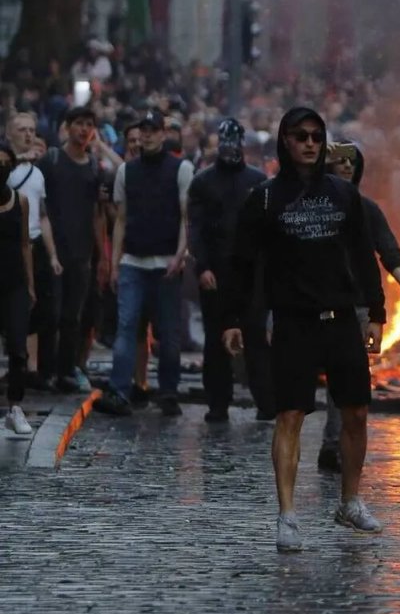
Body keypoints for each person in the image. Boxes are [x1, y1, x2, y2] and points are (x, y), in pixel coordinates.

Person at [224, 107, 386, 552]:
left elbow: (364, 254)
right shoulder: (264, 198)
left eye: (317, 136)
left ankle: (349, 501)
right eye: (301, 136)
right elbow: (240, 263)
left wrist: (376, 313)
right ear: (285, 141)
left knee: (356, 412)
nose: (310, 143)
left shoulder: (344, 194)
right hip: (294, 322)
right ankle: (288, 515)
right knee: (291, 416)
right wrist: (233, 319)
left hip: (341, 318)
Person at [317, 141, 400, 472]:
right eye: (341, 161)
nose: (347, 166)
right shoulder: (312, 207)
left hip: (358, 306)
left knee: (348, 380)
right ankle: (325, 444)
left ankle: (337, 446)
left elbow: (389, 250)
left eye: (353, 162)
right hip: (316, 304)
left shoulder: (366, 209)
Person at [93, 110, 192, 417]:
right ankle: (120, 390)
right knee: (126, 328)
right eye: (143, 130)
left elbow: (186, 217)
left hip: (165, 261)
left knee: (168, 332)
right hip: (133, 261)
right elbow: (121, 220)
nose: (147, 135)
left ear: (163, 133)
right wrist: (115, 261)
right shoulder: (127, 171)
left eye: (152, 130)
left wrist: (181, 253)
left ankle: (168, 392)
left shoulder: (181, 168)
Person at [186, 118, 273, 423]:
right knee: (215, 340)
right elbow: (196, 229)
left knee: (256, 339)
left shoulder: (258, 181)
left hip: (251, 275)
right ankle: (218, 404)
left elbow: (267, 231)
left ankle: (266, 402)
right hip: (217, 273)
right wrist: (202, 267)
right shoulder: (203, 182)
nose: (230, 148)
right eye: (225, 143)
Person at [38, 106, 105, 393]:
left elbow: (98, 213)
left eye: (89, 124)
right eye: (79, 123)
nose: (84, 129)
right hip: (52, 249)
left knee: (72, 316)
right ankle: (45, 371)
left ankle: (66, 370)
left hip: (82, 251)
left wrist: (101, 255)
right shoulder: (51, 160)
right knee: (50, 313)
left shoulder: (93, 167)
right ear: (68, 126)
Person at [6, 113, 58, 387]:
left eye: (31, 130)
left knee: (36, 307)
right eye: (22, 129)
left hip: (35, 243)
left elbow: (43, 215)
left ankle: (32, 367)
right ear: (9, 134)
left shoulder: (37, 173)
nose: (28, 134)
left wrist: (52, 254)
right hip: (10, 244)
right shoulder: (6, 169)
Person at [0, 141, 35, 435]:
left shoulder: (20, 200)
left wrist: (30, 284)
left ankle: (15, 406)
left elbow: (25, 244)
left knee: (18, 348)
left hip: (15, 283)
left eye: (5, 164)